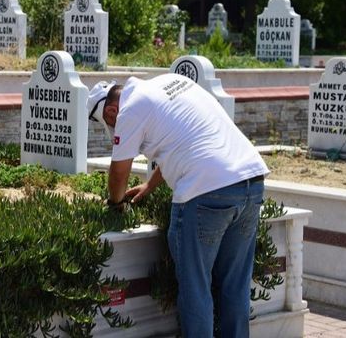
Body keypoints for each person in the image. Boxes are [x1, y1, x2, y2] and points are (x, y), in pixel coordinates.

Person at [87, 73, 269, 338]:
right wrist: (150, 185)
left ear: (112, 111)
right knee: (235, 285)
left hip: (206, 191)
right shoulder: (172, 82)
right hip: (250, 182)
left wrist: (114, 205)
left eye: (107, 122)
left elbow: (118, 173)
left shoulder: (129, 110)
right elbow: (185, 140)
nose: (112, 126)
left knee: (196, 288)